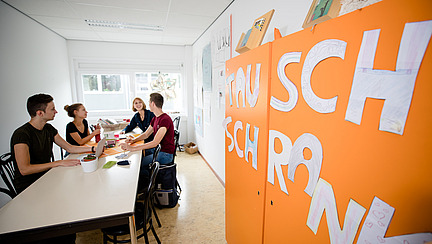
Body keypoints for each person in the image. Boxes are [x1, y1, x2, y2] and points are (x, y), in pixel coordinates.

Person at [120, 93, 175, 186]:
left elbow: (154, 142)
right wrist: (133, 141)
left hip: (165, 154)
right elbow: (146, 134)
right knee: (139, 158)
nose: (148, 104)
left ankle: (147, 186)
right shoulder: (155, 118)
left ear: (153, 104)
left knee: (138, 165)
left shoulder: (165, 119)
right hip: (158, 150)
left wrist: (132, 148)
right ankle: (148, 182)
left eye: (149, 102)